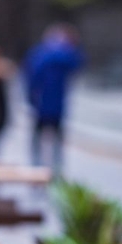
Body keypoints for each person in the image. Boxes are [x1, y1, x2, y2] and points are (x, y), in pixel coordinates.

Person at [24, 23, 85, 175]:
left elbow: (30, 78)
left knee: (38, 142)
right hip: (57, 106)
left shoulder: (39, 54)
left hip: (41, 105)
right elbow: (79, 62)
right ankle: (56, 171)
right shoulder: (65, 56)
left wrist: (30, 98)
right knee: (56, 142)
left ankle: (38, 170)